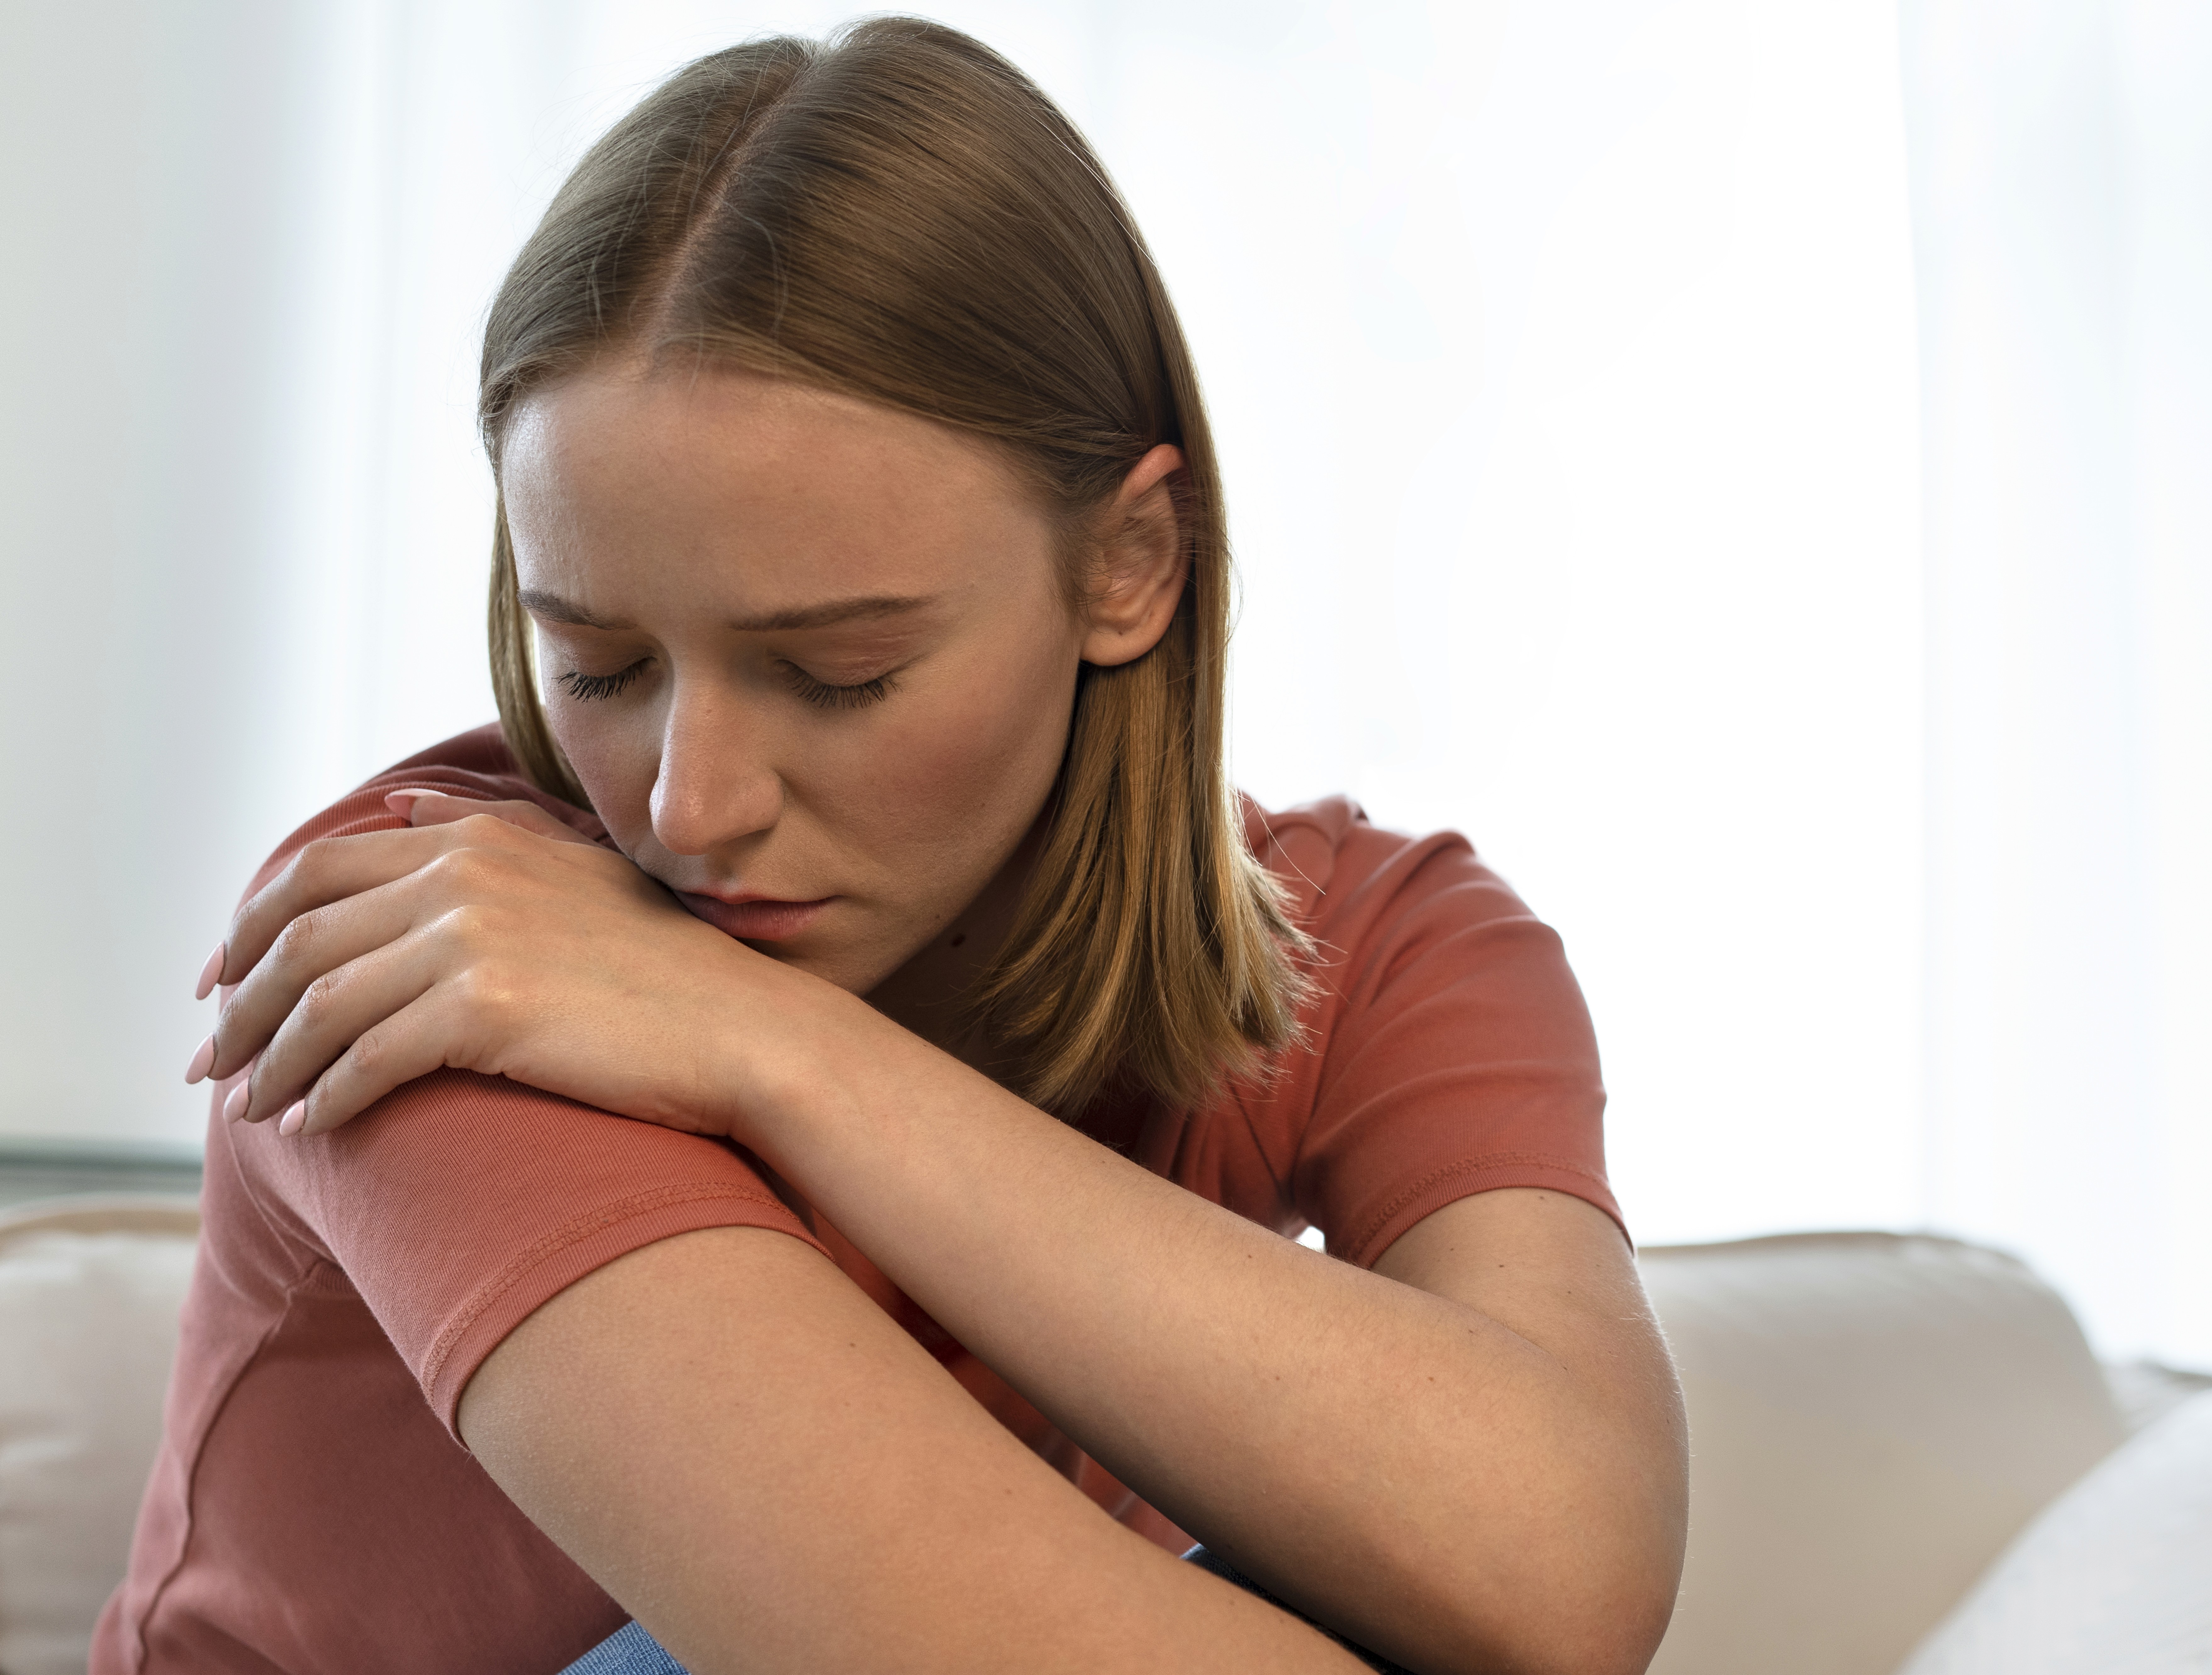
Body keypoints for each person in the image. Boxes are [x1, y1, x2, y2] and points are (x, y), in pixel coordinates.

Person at [95, 18, 1685, 1675]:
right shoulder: (442, 947)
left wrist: (773, 1044)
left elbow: (1561, 1579)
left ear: (1129, 565)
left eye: (836, 672)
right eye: (602, 665)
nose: (688, 809)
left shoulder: (1380, 942)